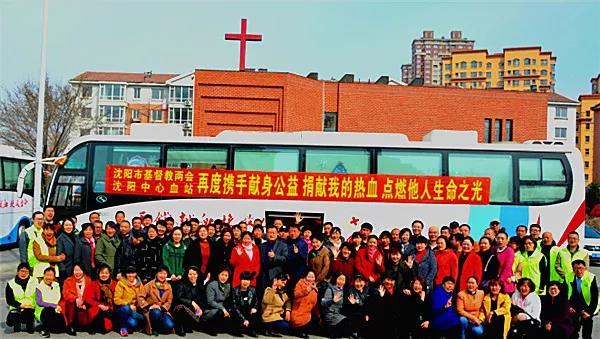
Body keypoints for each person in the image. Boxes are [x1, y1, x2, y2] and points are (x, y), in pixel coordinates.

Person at [60, 263, 101, 335]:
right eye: (76, 270)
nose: (77, 272)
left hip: (85, 303)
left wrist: (84, 301)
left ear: (83, 271)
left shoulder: (89, 280)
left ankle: (90, 325)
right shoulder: (68, 281)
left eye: (80, 270)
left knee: (93, 304)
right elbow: (65, 294)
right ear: (73, 271)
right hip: (73, 304)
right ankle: (70, 326)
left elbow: (91, 295)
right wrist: (76, 299)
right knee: (69, 303)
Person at [566, 260, 598, 339]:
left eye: (581, 268)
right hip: (573, 308)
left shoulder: (591, 277)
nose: (578, 271)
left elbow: (595, 297)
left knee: (586, 335)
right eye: (576, 268)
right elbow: (564, 294)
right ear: (573, 269)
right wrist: (568, 307)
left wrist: (589, 312)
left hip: (587, 307)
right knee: (572, 333)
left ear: (585, 268)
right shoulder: (568, 277)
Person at [139, 266, 175, 335]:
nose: (162, 275)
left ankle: (158, 326)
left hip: (162, 310)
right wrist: (148, 306)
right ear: (156, 274)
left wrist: (162, 307)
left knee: (170, 325)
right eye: (160, 273)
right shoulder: (149, 284)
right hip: (151, 310)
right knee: (156, 313)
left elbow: (169, 301)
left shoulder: (169, 286)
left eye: (165, 274)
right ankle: (153, 327)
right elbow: (140, 297)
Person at [172, 266, 205, 336]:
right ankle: (179, 327)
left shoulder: (199, 285)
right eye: (190, 274)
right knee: (181, 308)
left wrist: (201, 309)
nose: (192, 276)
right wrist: (191, 302)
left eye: (194, 274)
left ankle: (187, 325)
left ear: (197, 275)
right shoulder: (182, 284)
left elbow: (202, 300)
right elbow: (179, 298)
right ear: (187, 275)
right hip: (180, 308)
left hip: (193, 310)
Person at [113, 266, 145, 337]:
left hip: (135, 309)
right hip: (122, 309)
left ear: (136, 274)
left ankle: (129, 321)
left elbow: (142, 297)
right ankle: (123, 328)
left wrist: (137, 305)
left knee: (133, 323)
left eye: (133, 273)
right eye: (128, 273)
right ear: (125, 274)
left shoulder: (139, 284)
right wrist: (128, 304)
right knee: (127, 309)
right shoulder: (121, 283)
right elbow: (116, 300)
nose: (130, 275)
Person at [5, 263, 36, 333]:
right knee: (14, 324)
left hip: (31, 308)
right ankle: (14, 321)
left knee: (31, 331)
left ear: (29, 272)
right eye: (22, 271)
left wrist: (33, 306)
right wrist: (21, 306)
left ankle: (30, 324)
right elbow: (9, 300)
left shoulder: (35, 281)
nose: (23, 273)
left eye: (26, 272)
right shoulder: (10, 283)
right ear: (17, 272)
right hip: (17, 308)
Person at [36, 267, 65, 338]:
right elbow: (40, 302)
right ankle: (44, 329)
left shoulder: (56, 285)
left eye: (51, 275)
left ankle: (45, 326)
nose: (48, 277)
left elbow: (60, 299)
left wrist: (59, 307)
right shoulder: (39, 287)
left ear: (54, 277)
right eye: (47, 275)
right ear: (44, 275)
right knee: (48, 310)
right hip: (43, 311)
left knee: (60, 330)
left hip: (55, 311)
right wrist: (54, 305)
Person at [230, 271, 260, 337]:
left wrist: (255, 307)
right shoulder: (235, 290)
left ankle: (251, 330)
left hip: (248, 312)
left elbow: (256, 301)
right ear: (240, 280)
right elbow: (234, 307)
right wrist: (243, 319)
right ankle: (237, 330)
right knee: (234, 313)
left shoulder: (253, 289)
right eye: (244, 279)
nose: (245, 282)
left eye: (248, 280)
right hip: (239, 314)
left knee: (255, 312)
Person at [322, 272, 351, 338]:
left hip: (340, 314)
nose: (341, 282)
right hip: (330, 314)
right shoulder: (330, 289)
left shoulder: (345, 291)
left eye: (343, 280)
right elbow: (323, 303)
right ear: (335, 279)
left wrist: (351, 303)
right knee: (344, 324)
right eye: (339, 279)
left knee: (348, 326)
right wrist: (332, 301)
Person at [204, 268, 233, 336]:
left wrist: (228, 309)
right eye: (222, 274)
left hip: (222, 309)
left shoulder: (228, 286)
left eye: (226, 275)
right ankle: (208, 327)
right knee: (219, 312)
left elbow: (227, 300)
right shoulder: (212, 285)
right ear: (218, 275)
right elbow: (210, 302)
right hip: (211, 309)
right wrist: (223, 308)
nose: (224, 277)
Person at [260, 225, 288, 292]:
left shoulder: (283, 245)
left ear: (277, 234)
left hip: (276, 274)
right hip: (264, 275)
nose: (271, 235)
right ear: (266, 234)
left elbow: (285, 258)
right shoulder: (262, 246)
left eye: (273, 233)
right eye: (269, 233)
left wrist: (274, 257)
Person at [290, 271, 318, 338]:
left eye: (313, 277)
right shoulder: (300, 283)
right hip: (298, 312)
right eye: (309, 277)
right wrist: (306, 290)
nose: (311, 279)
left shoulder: (315, 288)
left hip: (308, 314)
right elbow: (295, 295)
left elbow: (314, 304)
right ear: (305, 277)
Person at [344, 274, 369, 338]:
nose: (358, 284)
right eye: (357, 281)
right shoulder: (350, 290)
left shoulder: (368, 289)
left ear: (364, 282)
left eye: (360, 281)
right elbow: (347, 306)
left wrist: (367, 314)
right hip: (354, 314)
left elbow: (369, 303)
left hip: (365, 312)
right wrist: (352, 304)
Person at [96, 264, 117, 334]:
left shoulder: (115, 284)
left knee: (107, 327)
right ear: (98, 274)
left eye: (106, 273)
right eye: (102, 273)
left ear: (110, 274)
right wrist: (99, 305)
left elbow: (117, 299)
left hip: (111, 309)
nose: (104, 275)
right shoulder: (94, 283)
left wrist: (108, 307)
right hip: (98, 308)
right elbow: (89, 299)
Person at [286, 224, 308, 289]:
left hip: (299, 272)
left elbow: (304, 258)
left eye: (295, 231)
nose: (293, 233)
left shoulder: (303, 243)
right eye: (291, 231)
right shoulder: (285, 242)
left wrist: (298, 253)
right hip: (288, 272)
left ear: (299, 232)